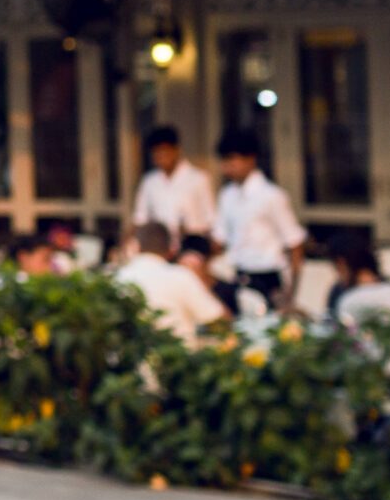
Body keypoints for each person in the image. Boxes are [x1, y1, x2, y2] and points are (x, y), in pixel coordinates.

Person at [213, 128, 305, 312]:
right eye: (224, 161)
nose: (227, 166)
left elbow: (295, 244)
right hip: (239, 274)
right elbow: (219, 239)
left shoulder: (271, 195)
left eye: (232, 159)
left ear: (250, 159)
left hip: (268, 277)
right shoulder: (227, 195)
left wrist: (291, 293)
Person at [116, 222, 228, 344]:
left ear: (136, 246)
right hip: (177, 359)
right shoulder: (180, 276)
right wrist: (201, 279)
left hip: (129, 360)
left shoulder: (118, 277)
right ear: (172, 249)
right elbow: (219, 321)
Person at [130, 124, 216, 255]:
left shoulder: (198, 178)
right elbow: (140, 218)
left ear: (176, 150)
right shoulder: (149, 182)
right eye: (156, 152)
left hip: (191, 247)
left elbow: (210, 220)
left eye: (164, 151)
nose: (161, 156)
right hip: (159, 250)